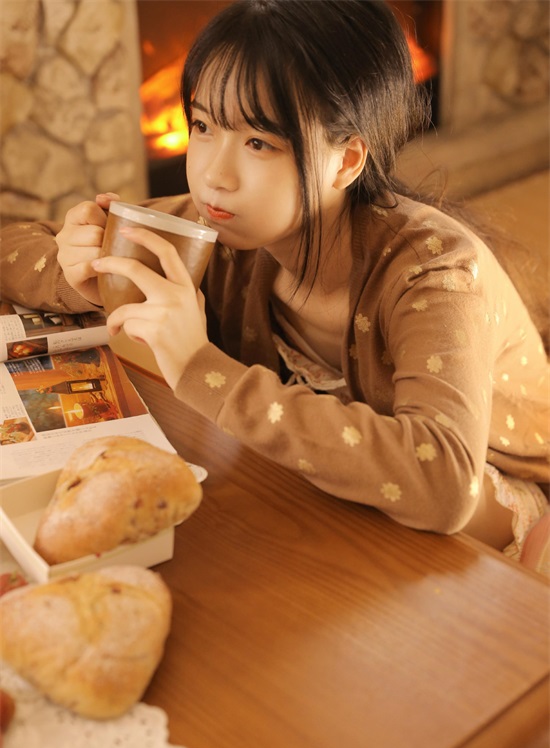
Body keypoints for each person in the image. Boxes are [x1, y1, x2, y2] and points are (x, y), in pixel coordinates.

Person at [1, 0, 548, 572]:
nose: (214, 174)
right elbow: (13, 244)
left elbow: (443, 486)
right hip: (334, 486)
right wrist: (80, 269)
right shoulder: (219, 228)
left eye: (259, 142)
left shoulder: (435, 270)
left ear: (346, 161)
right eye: (203, 127)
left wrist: (198, 367)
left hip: (486, 494)